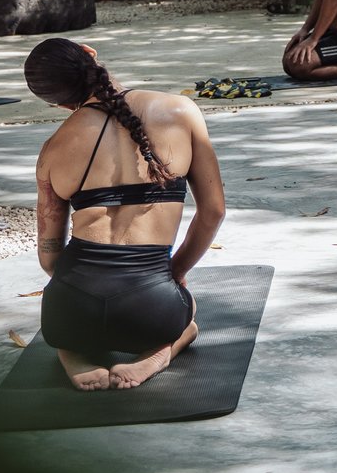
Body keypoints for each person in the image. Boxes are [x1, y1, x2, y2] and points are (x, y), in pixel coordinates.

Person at [27, 37, 226, 391]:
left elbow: (49, 257)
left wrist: (79, 289)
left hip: (70, 309)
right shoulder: (180, 110)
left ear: (56, 101)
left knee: (64, 319)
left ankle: (73, 352)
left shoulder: (53, 148)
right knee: (189, 309)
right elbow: (213, 212)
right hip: (152, 310)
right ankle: (162, 350)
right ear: (90, 54)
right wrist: (175, 271)